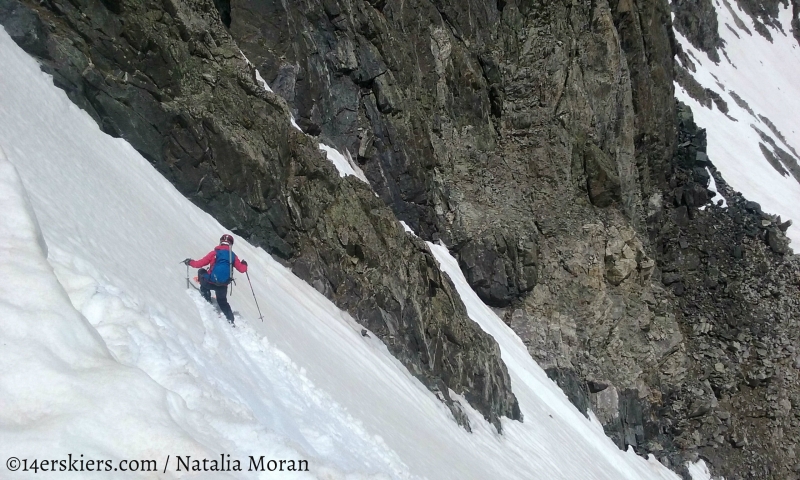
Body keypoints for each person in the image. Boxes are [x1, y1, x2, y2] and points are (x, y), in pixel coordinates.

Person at [184, 234, 247, 325]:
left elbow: (199, 264)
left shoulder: (214, 253)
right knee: (222, 301)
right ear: (230, 245)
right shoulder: (233, 256)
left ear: (221, 242)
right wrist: (244, 264)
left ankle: (206, 297)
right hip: (223, 286)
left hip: (209, 282)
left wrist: (189, 262)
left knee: (201, 271)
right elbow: (242, 269)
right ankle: (231, 320)